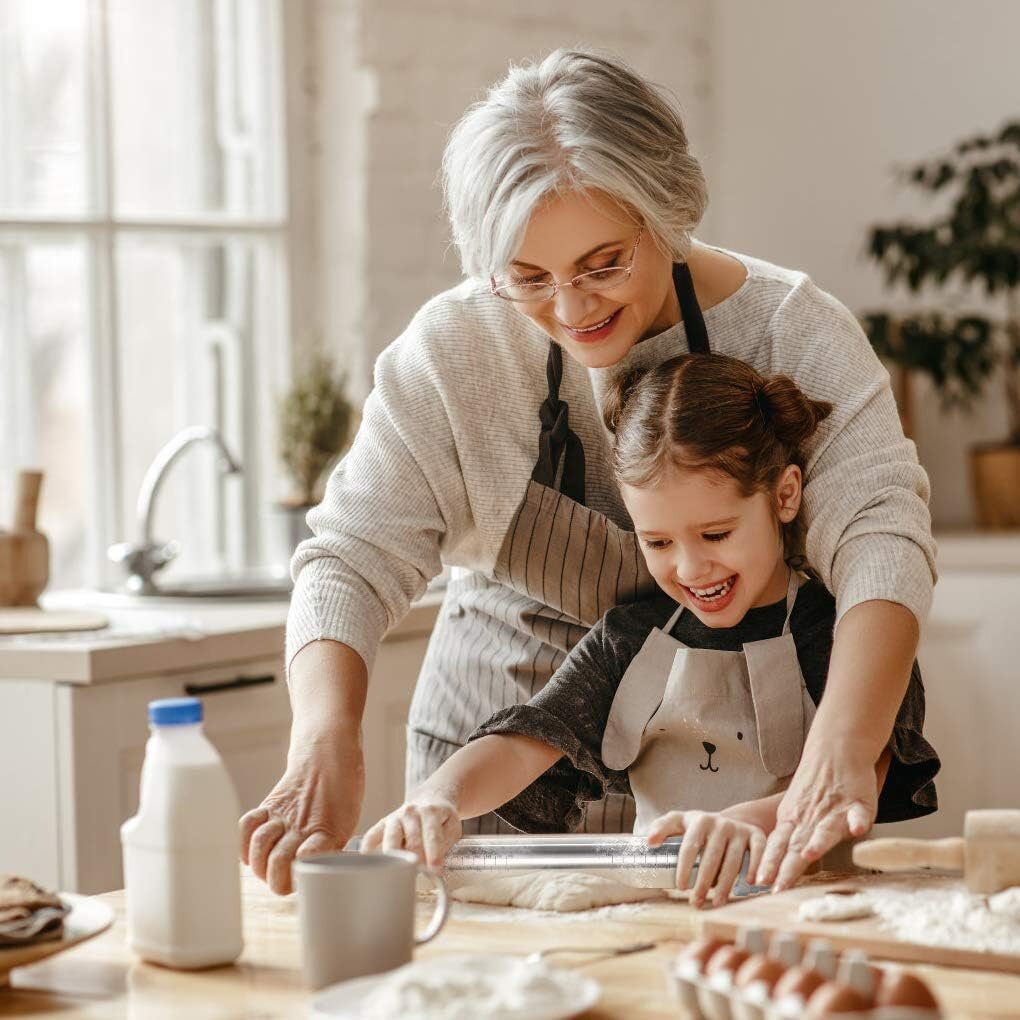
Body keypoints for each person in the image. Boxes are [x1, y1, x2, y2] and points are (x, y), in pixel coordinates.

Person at [240, 49, 937, 897]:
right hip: (499, 763)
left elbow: (881, 541)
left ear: (665, 212)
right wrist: (325, 739)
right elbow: (348, 556)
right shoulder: (455, 348)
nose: (573, 310)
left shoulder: (791, 328)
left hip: (733, 792)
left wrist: (841, 750)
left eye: (604, 263)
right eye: (528, 279)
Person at [360, 354, 940, 907]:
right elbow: (524, 745)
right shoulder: (631, 639)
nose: (689, 569)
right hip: (662, 911)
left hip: (810, 904)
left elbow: (862, 771)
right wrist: (441, 796)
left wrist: (746, 826)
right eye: (658, 542)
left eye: (716, 535)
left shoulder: (845, 634)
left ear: (784, 496)